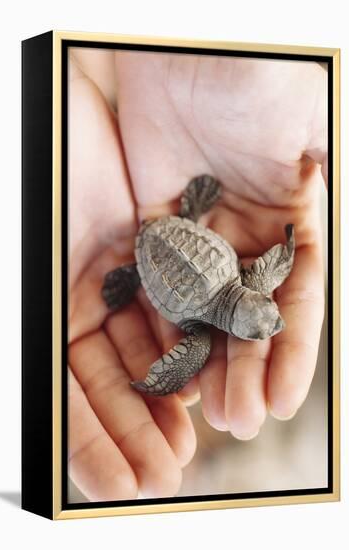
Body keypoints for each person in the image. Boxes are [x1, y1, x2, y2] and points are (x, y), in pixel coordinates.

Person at [67, 49, 327, 501]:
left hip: (180, 232)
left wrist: (286, 248)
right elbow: (272, 268)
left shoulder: (226, 297)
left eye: (264, 315)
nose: (275, 316)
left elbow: (268, 270)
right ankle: (137, 272)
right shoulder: (205, 329)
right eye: (270, 309)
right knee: (193, 362)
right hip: (156, 251)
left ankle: (187, 217)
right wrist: (286, 246)